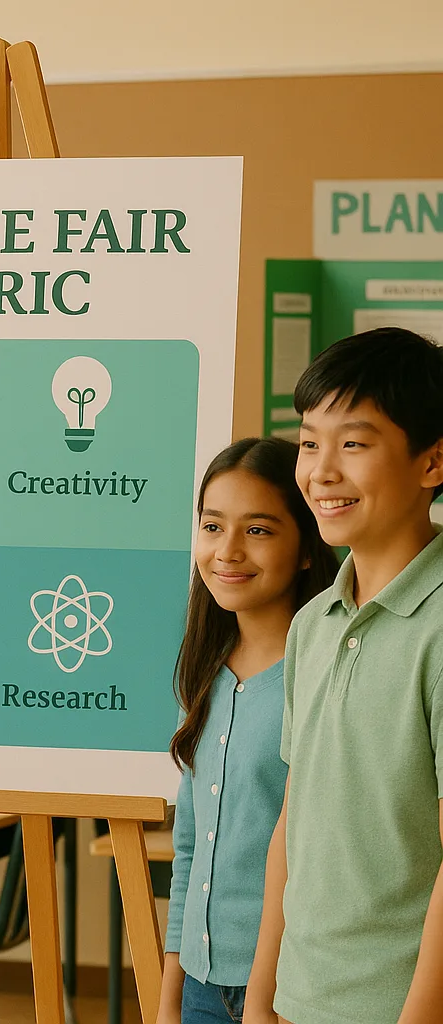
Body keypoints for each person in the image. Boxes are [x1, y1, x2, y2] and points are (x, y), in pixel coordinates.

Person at [244, 327, 443, 1024]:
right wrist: (263, 998)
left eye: (353, 444)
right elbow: (294, 821)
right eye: (308, 442)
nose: (320, 471)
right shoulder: (312, 624)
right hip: (300, 1000)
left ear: (433, 461)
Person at [158, 437, 337, 1024]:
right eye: (213, 527)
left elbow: (317, 862)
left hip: (290, 993)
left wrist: (263, 1003)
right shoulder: (204, 672)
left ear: (307, 548)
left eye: (257, 530)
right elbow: (189, 850)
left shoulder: (322, 676)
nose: (227, 551)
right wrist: (171, 999)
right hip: (201, 989)